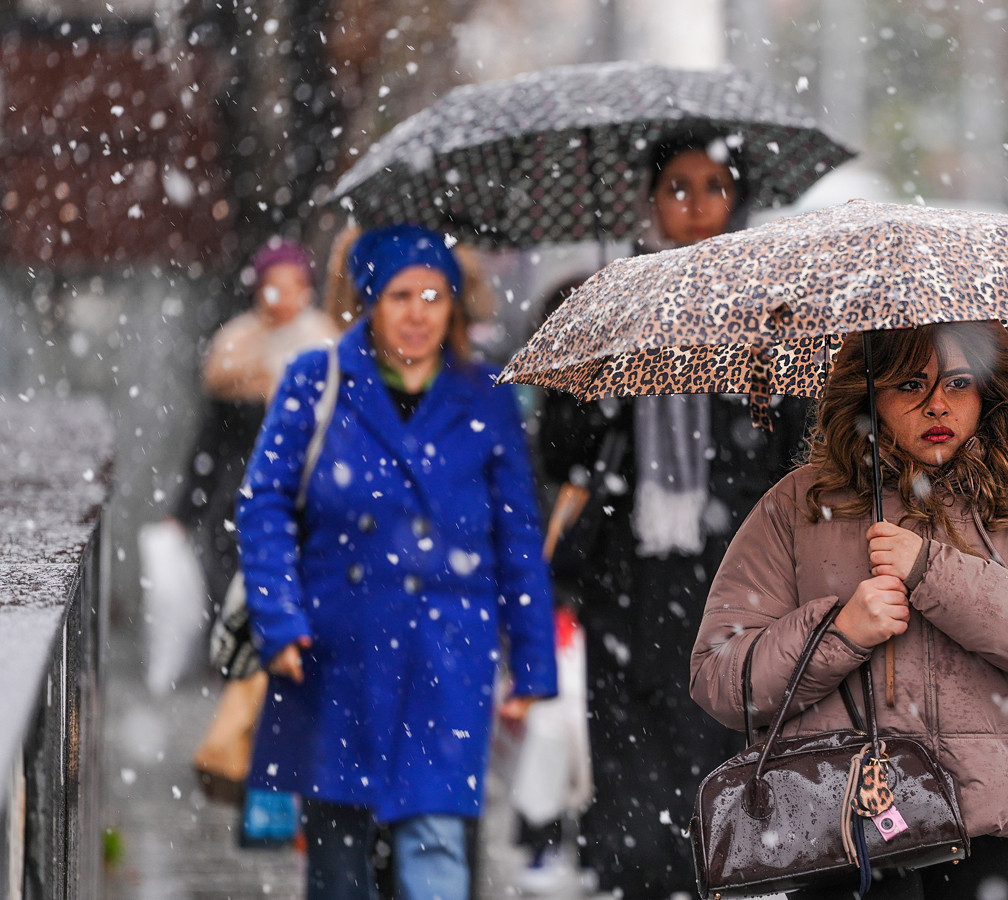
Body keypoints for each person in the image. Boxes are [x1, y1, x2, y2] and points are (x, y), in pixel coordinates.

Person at [690, 322, 1008, 900]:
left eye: (959, 383)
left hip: (980, 824)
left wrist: (932, 571)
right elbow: (720, 677)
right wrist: (838, 633)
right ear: (869, 394)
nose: (938, 404)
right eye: (911, 383)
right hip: (838, 819)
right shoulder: (795, 509)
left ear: (990, 392)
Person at [236, 223, 558, 900]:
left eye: (434, 296)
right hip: (336, 648)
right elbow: (263, 504)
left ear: (454, 305)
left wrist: (531, 663)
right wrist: (278, 618)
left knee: (438, 842)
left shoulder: (486, 396)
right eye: (400, 295)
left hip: (449, 655)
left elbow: (516, 536)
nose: (417, 313)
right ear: (371, 302)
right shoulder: (317, 380)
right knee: (337, 852)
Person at [537, 131, 812, 899]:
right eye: (678, 187)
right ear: (650, 199)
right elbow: (558, 451)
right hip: (629, 584)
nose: (696, 206)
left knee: (721, 758)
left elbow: (799, 452)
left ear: (739, 199)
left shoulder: (771, 315)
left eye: (714, 186)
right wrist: (604, 381)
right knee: (629, 767)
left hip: (735, 578)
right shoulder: (603, 303)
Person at [171, 236, 338, 622]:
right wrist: (183, 511)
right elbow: (210, 441)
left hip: (306, 500)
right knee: (233, 602)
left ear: (306, 289)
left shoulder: (325, 347)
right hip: (238, 500)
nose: (280, 296)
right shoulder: (235, 348)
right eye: (271, 284)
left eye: (291, 283)